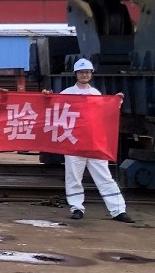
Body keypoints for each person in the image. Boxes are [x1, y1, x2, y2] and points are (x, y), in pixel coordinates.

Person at [44, 58, 135, 223]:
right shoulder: (67, 93)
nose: (84, 75)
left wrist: (115, 102)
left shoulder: (96, 94)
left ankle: (118, 210)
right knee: (73, 177)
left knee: (104, 177)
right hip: (73, 143)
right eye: (81, 72)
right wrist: (47, 97)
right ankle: (76, 208)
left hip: (94, 143)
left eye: (87, 72)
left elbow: (105, 113)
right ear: (76, 74)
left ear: (91, 74)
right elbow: (52, 107)